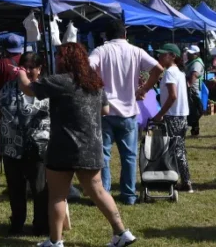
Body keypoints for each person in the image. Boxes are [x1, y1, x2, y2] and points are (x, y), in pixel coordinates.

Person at [19, 43, 136, 247]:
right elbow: (105, 110)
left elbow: (29, 90)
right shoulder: (94, 83)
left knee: (57, 195)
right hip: (91, 147)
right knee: (99, 191)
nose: (55, 59)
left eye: (58, 56)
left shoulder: (60, 81)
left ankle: (55, 242)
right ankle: (122, 232)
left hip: (63, 148)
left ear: (67, 59)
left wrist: (20, 73)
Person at [89, 20, 164, 205]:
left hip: (105, 111)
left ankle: (103, 194)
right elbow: (158, 69)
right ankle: (129, 195)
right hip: (129, 111)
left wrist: (96, 87)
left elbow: (88, 67)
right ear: (125, 34)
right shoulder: (136, 51)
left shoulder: (100, 51)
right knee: (129, 157)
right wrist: (144, 89)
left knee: (103, 156)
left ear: (106, 35)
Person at [0, 52, 51, 236]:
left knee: (39, 188)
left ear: (39, 69)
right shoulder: (9, 87)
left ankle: (41, 225)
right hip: (12, 147)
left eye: (31, 68)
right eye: (23, 67)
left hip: (38, 147)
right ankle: (17, 223)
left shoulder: (45, 89)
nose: (26, 71)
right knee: (15, 188)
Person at [151, 44, 194, 193]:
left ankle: (183, 181)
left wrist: (160, 114)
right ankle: (185, 180)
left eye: (163, 55)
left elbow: (172, 96)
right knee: (179, 149)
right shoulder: (179, 72)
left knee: (175, 151)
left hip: (172, 115)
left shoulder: (169, 72)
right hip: (181, 115)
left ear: (173, 56)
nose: (160, 57)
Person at [0, 34, 26, 185]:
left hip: (5, 107)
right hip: (26, 106)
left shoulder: (1, 64)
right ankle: (24, 171)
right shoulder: (27, 61)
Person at [185, 45, 205, 136]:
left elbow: (194, 75)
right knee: (191, 109)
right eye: (189, 53)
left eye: (191, 53)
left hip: (193, 89)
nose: (189, 54)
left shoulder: (197, 63)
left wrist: (189, 85)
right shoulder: (191, 61)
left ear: (196, 54)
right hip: (190, 88)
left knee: (194, 109)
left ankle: (195, 130)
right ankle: (193, 128)